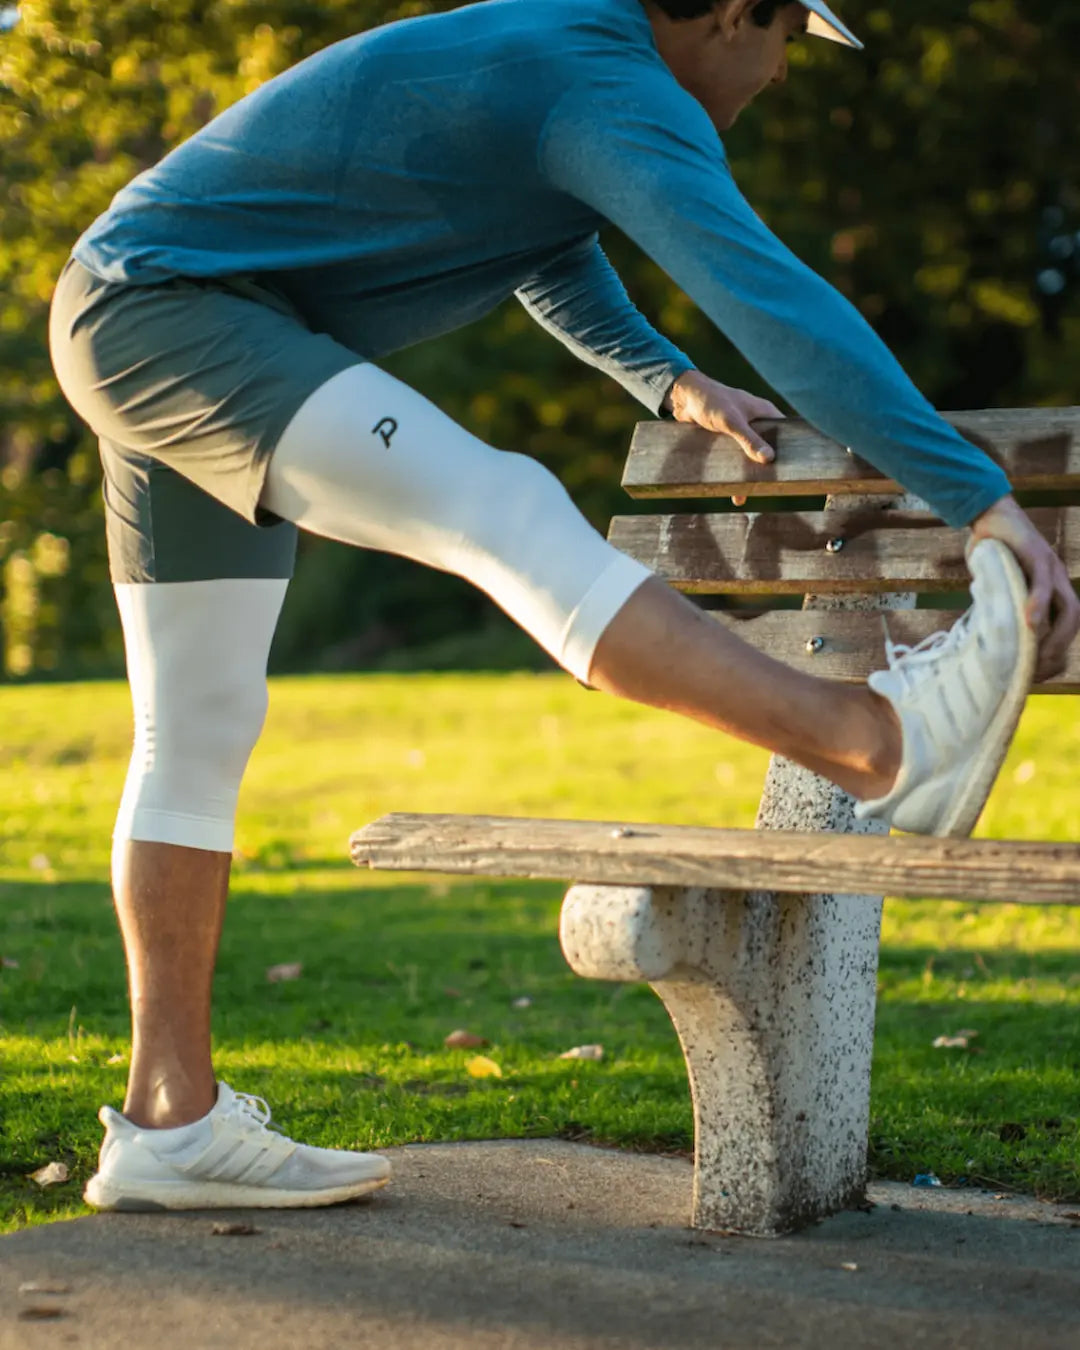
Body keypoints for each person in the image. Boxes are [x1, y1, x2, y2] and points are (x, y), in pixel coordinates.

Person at [49, 0, 1079, 1213]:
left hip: (134, 308)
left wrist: (663, 376)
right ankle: (875, 744)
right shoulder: (612, 83)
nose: (783, 72)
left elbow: (544, 245)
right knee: (506, 505)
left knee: (198, 726)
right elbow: (774, 301)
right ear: (731, 11)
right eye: (786, 38)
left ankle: (172, 1117)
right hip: (181, 317)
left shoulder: (557, 58)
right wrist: (980, 502)